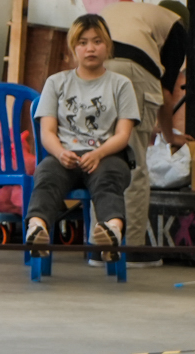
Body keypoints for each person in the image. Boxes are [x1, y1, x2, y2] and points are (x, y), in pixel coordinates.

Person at [25, 14, 137, 257]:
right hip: (65, 157)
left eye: (97, 41)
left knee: (109, 179)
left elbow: (123, 134)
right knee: (46, 174)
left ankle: (112, 232)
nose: (90, 48)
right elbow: (47, 132)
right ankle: (37, 229)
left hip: (106, 156)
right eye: (83, 42)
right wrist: (60, 153)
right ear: (73, 47)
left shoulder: (121, 84)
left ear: (107, 45)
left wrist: (98, 154)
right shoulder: (56, 82)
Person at [99, 0, 188, 252]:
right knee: (134, 161)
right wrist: (170, 136)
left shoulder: (132, 12)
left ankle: (98, 249)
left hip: (95, 64)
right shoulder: (176, 27)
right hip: (132, 69)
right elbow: (165, 94)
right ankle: (131, 250)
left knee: (100, 158)